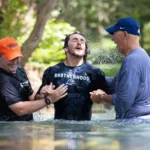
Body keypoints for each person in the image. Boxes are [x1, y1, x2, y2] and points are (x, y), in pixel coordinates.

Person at [36, 32, 108, 121]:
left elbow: (109, 102)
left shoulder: (95, 73)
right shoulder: (52, 71)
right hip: (60, 128)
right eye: (75, 40)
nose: (79, 43)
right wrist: (43, 95)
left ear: (85, 49)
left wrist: (100, 98)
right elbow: (37, 100)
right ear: (65, 48)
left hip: (84, 129)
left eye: (82, 41)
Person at [90, 17, 150, 119]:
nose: (112, 39)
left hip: (134, 124)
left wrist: (101, 97)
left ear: (125, 34)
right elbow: (115, 83)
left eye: (114, 34)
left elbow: (123, 101)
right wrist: (94, 75)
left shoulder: (132, 60)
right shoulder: (141, 55)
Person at [0, 37, 67, 121]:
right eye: (11, 58)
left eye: (17, 57)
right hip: (7, 130)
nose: (15, 61)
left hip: (26, 127)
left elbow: (31, 97)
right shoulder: (2, 78)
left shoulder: (20, 70)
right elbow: (20, 109)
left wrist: (42, 95)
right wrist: (49, 100)